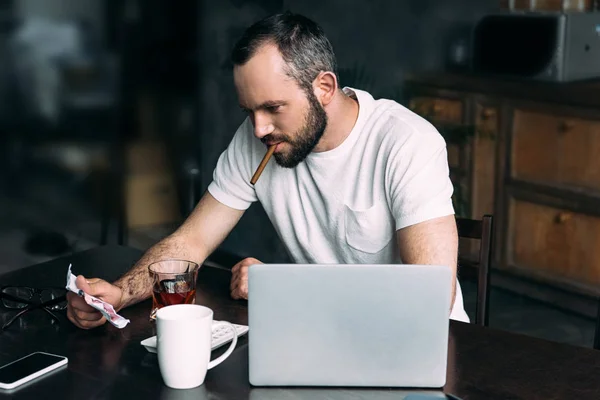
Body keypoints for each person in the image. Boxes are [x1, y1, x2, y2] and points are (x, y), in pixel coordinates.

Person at [67, 12, 469, 329]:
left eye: (273, 108)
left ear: (324, 88)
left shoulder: (406, 142)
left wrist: (283, 288)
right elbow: (189, 245)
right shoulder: (259, 139)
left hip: (419, 342)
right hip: (325, 329)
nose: (258, 129)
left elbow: (429, 301)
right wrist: (118, 293)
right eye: (250, 111)